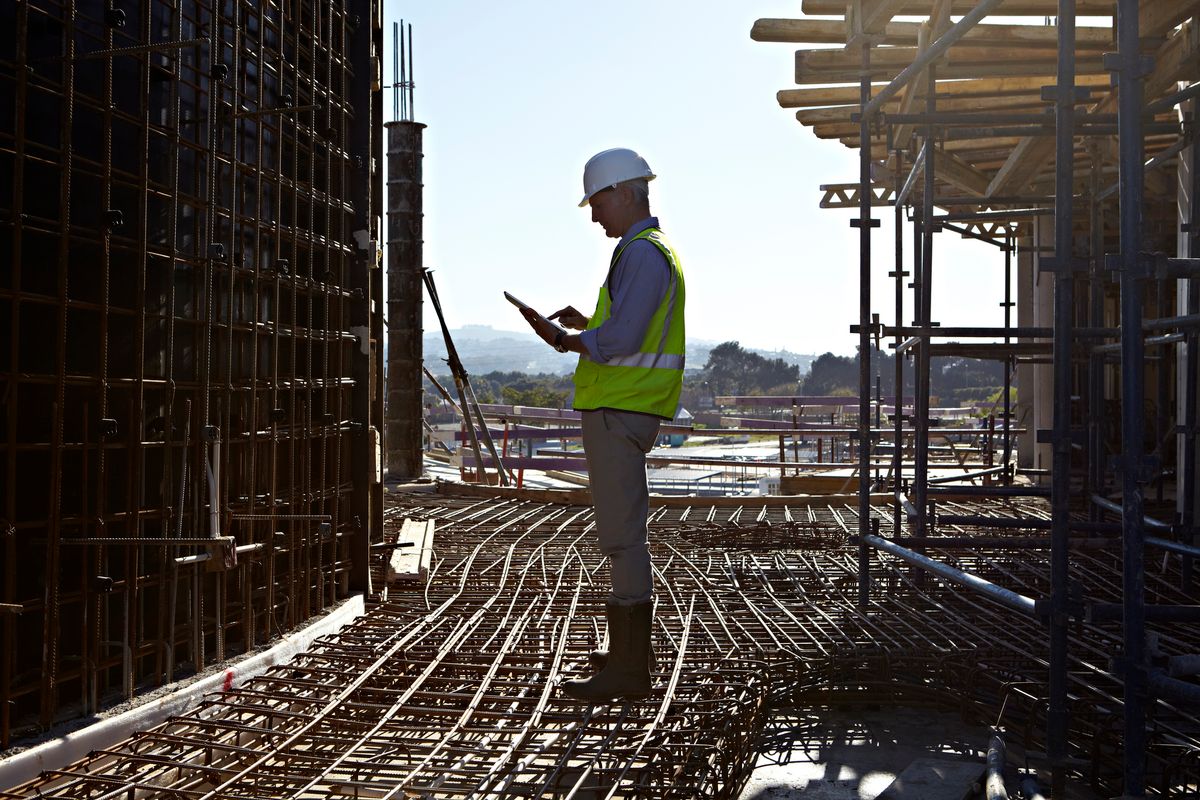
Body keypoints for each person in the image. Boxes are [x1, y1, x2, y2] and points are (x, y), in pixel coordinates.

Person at [520, 147, 685, 702]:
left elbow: (624, 341)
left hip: (620, 412)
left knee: (621, 537)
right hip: (626, 408)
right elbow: (626, 330)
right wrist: (589, 325)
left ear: (623, 193)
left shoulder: (641, 254)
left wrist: (566, 340)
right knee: (622, 535)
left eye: (596, 203)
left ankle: (630, 670)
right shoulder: (648, 253)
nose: (594, 216)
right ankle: (628, 655)